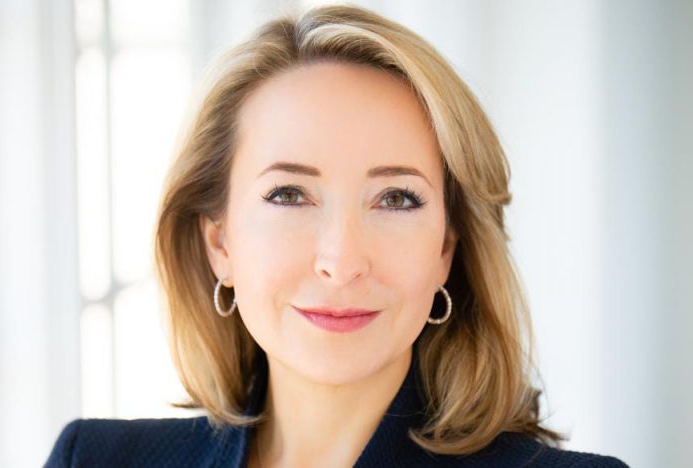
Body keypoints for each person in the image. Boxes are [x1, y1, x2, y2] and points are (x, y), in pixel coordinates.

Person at [45, 4, 628, 467]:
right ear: (220, 244)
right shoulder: (92, 458)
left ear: (446, 250)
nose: (342, 261)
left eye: (396, 199)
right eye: (288, 194)